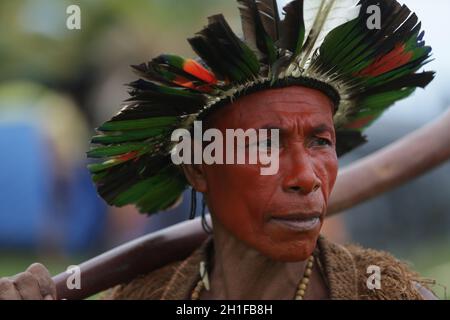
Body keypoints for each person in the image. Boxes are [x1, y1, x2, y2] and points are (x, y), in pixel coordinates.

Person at [0, 0, 438, 300]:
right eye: (266, 142)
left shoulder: (388, 291)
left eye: (321, 141)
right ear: (198, 169)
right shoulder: (147, 293)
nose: (307, 176)